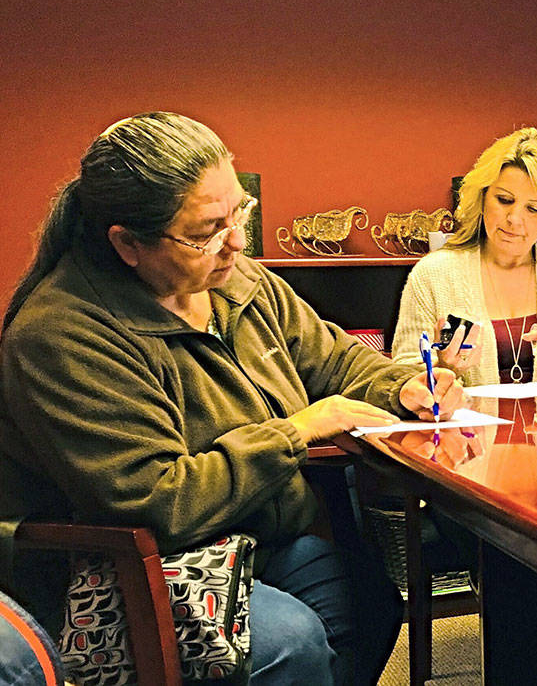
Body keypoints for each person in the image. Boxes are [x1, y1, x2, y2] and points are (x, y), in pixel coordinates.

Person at [0, 112, 464, 685]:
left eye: (238, 212)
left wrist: (403, 385)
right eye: (206, 232)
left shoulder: (235, 280)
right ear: (126, 243)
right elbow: (156, 501)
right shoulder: (63, 334)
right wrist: (297, 430)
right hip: (125, 567)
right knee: (289, 644)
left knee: (373, 602)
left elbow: (335, 359)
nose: (237, 243)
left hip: (253, 538)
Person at [391, 126, 537, 385]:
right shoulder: (432, 275)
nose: (515, 219)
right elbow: (402, 376)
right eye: (504, 200)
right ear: (481, 198)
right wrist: (445, 368)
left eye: (533, 209)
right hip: (466, 426)